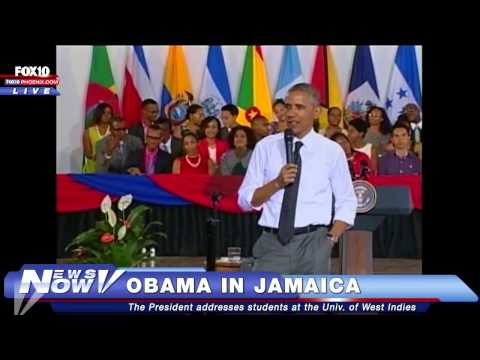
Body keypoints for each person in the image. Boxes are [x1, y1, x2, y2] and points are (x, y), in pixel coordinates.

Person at [238, 83, 357, 274]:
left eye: (299, 107)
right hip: (272, 245)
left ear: (316, 112)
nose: (290, 113)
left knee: (311, 303)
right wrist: (277, 183)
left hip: (314, 245)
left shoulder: (331, 151)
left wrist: (330, 240)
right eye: (288, 106)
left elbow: (347, 201)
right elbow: (245, 200)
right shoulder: (265, 147)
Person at [82, 103, 113, 173]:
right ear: (98, 114)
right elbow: (88, 154)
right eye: (104, 112)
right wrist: (100, 157)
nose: (107, 115)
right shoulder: (88, 132)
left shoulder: (114, 131)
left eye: (109, 113)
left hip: (110, 171)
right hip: (92, 171)